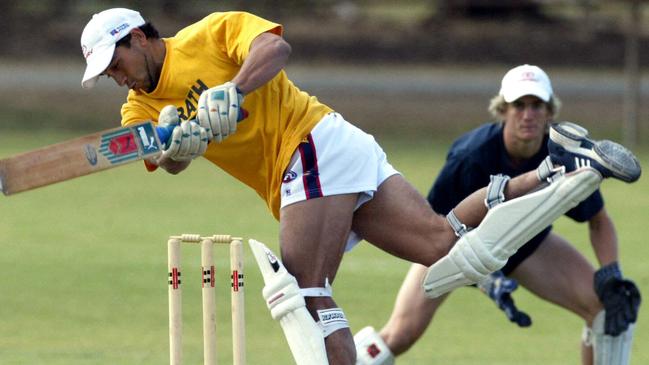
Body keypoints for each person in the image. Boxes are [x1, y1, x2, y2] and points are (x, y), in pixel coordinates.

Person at [79, 8, 640, 364]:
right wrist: (182, 145)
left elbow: (275, 48)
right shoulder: (137, 108)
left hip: (311, 142)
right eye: (104, 71)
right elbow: (166, 161)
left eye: (115, 59)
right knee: (446, 250)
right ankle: (558, 172)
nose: (114, 74)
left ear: (140, 35)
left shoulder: (209, 32)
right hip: (334, 155)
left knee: (303, 293)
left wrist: (237, 91)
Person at [354, 65, 641, 365]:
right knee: (399, 335)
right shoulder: (471, 155)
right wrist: (485, 279)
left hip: (528, 246)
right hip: (454, 246)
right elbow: (432, 227)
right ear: (503, 109)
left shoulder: (565, 157)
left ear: (549, 112)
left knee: (608, 310)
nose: (527, 114)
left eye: (536, 105)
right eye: (519, 105)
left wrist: (611, 274)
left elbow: (599, 220)